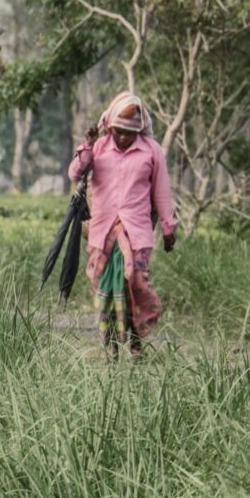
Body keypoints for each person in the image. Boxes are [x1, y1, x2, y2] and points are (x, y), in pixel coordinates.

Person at [68, 93, 179, 355]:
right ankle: (111, 347)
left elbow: (161, 192)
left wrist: (168, 227)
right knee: (105, 288)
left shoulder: (151, 151)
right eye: (119, 131)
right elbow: (75, 173)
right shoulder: (98, 147)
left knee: (135, 286)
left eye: (130, 132)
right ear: (109, 126)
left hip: (136, 234)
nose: (124, 137)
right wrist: (87, 144)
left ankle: (137, 342)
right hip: (103, 232)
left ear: (140, 129)